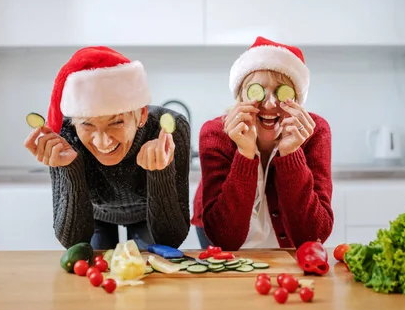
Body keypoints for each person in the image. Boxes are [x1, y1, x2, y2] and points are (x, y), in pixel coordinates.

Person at [24, 46, 191, 250]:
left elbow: (171, 240)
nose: (102, 142)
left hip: (149, 213)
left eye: (117, 123)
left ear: (142, 115)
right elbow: (74, 244)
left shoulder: (169, 130)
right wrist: (70, 168)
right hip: (92, 214)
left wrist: (160, 172)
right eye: (87, 124)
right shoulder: (64, 134)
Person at [191, 36, 333, 250]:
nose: (270, 103)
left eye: (282, 91)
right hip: (221, 232)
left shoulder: (315, 131)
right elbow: (225, 239)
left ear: (297, 101)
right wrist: (244, 152)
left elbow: (313, 237)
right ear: (240, 96)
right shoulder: (215, 134)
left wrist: (290, 153)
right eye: (257, 90)